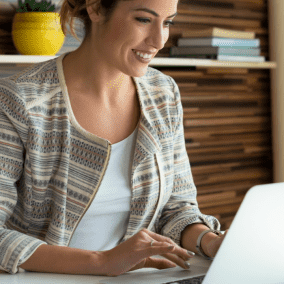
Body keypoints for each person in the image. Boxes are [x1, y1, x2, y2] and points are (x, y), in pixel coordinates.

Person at [0, 0, 228, 276]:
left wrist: (212, 242)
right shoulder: (19, 101)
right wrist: (102, 262)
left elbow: (176, 207)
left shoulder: (162, 93)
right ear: (95, 9)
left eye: (167, 23)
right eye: (144, 20)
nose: (158, 40)